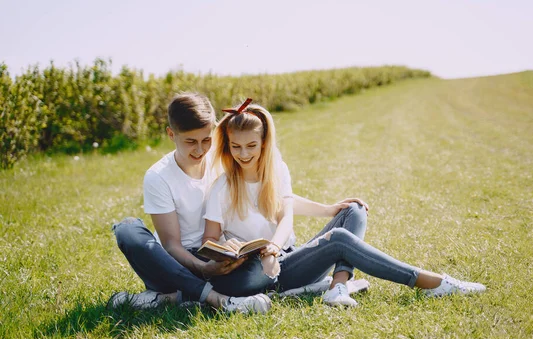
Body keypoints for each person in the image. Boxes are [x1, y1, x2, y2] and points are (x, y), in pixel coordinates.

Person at [203, 99, 486, 307]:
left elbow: (285, 214)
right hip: (253, 271)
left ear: (264, 143)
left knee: (354, 210)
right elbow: (210, 239)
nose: (243, 153)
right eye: (236, 147)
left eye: (251, 146)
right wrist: (226, 253)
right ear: (228, 146)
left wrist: (276, 247)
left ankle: (337, 288)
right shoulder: (222, 187)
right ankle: (433, 282)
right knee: (338, 239)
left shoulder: (277, 171)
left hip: (284, 259)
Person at [109, 93, 368, 313]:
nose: (200, 150)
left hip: (226, 258)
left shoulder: (222, 156)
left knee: (257, 269)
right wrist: (205, 268)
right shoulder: (158, 176)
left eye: (205, 139)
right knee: (128, 229)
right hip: (179, 264)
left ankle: (177, 298)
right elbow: (171, 245)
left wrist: (328, 209)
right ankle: (212, 298)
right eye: (190, 142)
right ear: (170, 134)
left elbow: (271, 197)